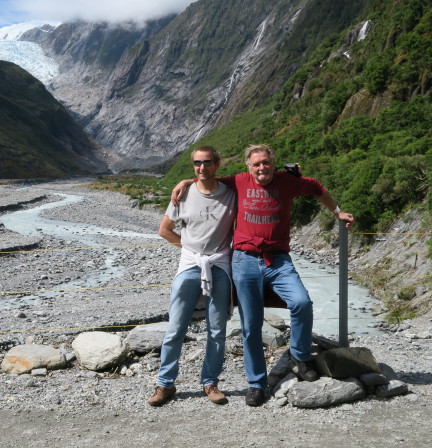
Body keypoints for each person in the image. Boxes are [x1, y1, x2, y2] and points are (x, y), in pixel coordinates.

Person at [172, 144, 354, 407]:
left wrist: (337, 212)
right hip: (244, 260)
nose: (261, 168)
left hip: (278, 259)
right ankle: (256, 383)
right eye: (256, 164)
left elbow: (316, 187)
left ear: (273, 164)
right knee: (250, 325)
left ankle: (300, 356)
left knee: (301, 302)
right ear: (248, 166)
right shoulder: (238, 181)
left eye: (265, 163)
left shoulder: (287, 182)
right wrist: (185, 181)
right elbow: (206, 176)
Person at [148, 146, 236, 407]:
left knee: (217, 330)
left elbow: (260, 177)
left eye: (207, 163)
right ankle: (165, 384)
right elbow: (164, 230)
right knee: (175, 328)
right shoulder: (183, 195)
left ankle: (210, 383)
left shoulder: (231, 193)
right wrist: (189, 250)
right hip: (189, 266)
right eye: (197, 164)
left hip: (219, 265)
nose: (201, 168)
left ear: (217, 164)